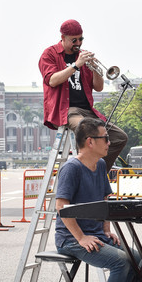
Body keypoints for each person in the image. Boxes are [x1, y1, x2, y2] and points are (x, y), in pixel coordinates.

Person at [55, 117, 140, 282]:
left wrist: (106, 229)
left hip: (96, 234)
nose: (109, 143)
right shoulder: (71, 168)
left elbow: (104, 199)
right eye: (106, 138)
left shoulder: (100, 165)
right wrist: (82, 237)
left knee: (138, 258)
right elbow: (61, 207)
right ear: (90, 141)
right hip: (71, 239)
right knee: (120, 260)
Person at [39, 19, 128, 172]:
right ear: (63, 38)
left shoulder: (82, 56)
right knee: (86, 129)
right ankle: (84, 172)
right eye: (74, 40)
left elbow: (98, 88)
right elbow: (52, 80)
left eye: (81, 39)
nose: (78, 43)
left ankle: (98, 172)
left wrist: (95, 70)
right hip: (66, 110)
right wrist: (75, 65)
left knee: (120, 137)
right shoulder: (50, 54)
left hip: (87, 111)